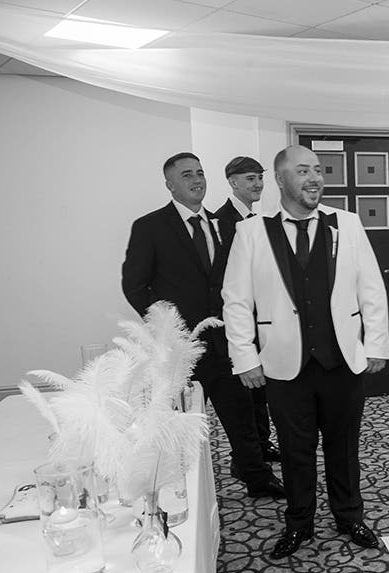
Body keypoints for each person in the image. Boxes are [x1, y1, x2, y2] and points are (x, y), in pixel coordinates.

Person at [221, 145, 389, 559]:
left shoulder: (346, 225)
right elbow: (236, 301)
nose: (314, 178)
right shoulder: (252, 232)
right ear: (280, 180)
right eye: (303, 171)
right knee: (295, 452)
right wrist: (245, 357)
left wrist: (376, 344)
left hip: (342, 359)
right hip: (282, 363)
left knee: (343, 446)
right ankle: (299, 524)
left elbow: (371, 289)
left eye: (318, 170)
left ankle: (349, 516)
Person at [121, 152, 285, 500]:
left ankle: (256, 477)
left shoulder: (224, 224)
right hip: (183, 348)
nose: (196, 179)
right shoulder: (149, 226)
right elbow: (134, 285)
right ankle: (178, 485)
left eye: (199, 173)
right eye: (186, 175)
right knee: (181, 421)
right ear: (170, 185)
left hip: (225, 343)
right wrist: (167, 326)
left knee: (242, 416)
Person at [213, 156, 281, 466]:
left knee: (259, 390)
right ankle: (250, 457)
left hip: (261, 317)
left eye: (260, 178)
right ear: (233, 182)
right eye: (250, 179)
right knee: (246, 391)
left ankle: (263, 445)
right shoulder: (220, 222)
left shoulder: (258, 219)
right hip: (239, 318)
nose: (257, 184)